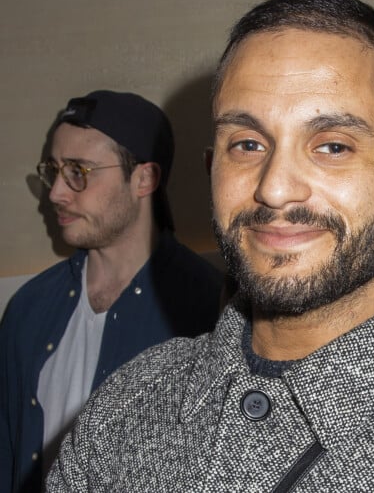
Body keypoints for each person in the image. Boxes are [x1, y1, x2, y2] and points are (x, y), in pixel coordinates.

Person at [47, 0, 374, 492]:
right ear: (212, 171)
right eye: (248, 144)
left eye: (332, 146)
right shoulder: (130, 400)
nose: (275, 186)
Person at [0, 90, 223, 493]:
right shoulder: (28, 310)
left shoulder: (209, 313)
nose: (55, 193)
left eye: (79, 172)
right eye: (54, 170)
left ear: (144, 179)